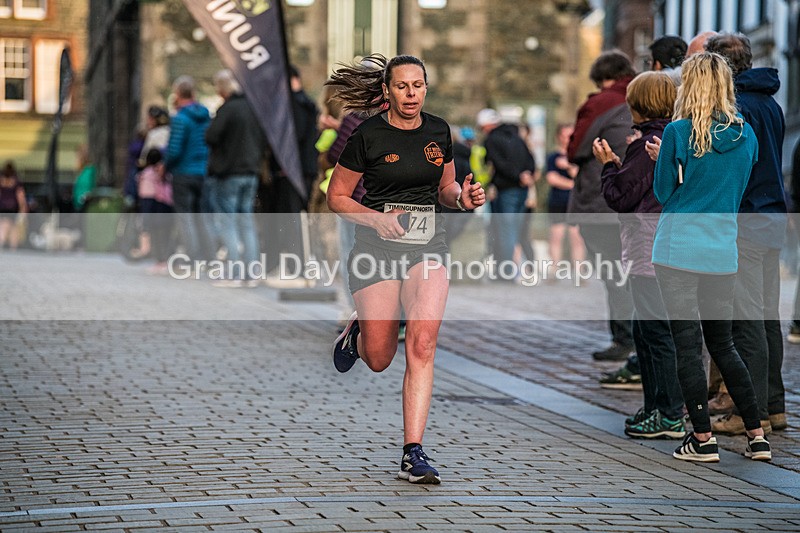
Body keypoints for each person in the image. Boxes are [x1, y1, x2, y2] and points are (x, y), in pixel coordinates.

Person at [325, 54, 486, 484]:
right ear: (388, 91)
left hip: (427, 248)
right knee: (379, 358)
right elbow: (336, 196)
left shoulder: (438, 131)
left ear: (425, 88)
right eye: (402, 86)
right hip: (375, 249)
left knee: (423, 342)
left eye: (418, 85)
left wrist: (462, 199)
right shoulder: (369, 134)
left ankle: (412, 451)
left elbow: (446, 188)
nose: (411, 94)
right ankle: (359, 331)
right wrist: (376, 218)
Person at [651, 52, 769, 462]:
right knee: (724, 344)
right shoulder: (747, 136)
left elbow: (665, 192)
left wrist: (661, 162)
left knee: (687, 346)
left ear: (691, 85)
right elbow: (737, 185)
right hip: (723, 249)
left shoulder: (678, 132)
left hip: (678, 248)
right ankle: (757, 435)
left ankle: (701, 439)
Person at [593, 71, 685, 438]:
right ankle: (657, 409)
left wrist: (608, 165)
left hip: (649, 249)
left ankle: (666, 413)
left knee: (653, 333)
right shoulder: (674, 137)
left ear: (640, 104)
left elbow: (621, 197)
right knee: (650, 329)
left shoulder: (647, 143)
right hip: (664, 246)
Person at [705, 33, 787, 436]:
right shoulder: (770, 102)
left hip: (745, 217)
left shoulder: (735, 107)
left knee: (746, 319)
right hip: (772, 216)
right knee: (767, 315)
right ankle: (774, 405)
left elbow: (732, 167)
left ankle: (747, 413)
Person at [567, 50, 636, 361]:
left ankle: (624, 339)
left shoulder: (601, 103)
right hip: (640, 199)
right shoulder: (647, 93)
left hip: (602, 199)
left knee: (613, 270)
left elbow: (575, 148)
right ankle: (637, 339)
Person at [205, 69, 265, 287]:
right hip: (251, 172)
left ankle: (234, 273)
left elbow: (210, 136)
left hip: (229, 173)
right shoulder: (253, 108)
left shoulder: (227, 109)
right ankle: (252, 273)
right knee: (247, 223)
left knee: (228, 223)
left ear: (222, 89)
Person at [478, 108, 536, 269]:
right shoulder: (517, 137)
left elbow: (498, 164)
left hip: (506, 190)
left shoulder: (492, 140)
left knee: (505, 231)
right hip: (521, 189)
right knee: (515, 230)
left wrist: (517, 176)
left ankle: (506, 271)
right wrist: (526, 175)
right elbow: (530, 159)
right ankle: (511, 268)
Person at [165, 75, 211, 264]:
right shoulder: (206, 116)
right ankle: (209, 257)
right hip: (203, 171)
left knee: (186, 217)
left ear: (177, 94)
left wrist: (166, 166)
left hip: (184, 172)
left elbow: (175, 149)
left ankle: (192, 258)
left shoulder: (180, 118)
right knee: (202, 216)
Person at [545, 124, 585, 278]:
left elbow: (579, 175)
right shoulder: (552, 157)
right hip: (558, 202)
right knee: (556, 237)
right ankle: (554, 271)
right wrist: (572, 184)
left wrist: (567, 166)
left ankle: (579, 272)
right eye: (565, 135)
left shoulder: (579, 156)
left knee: (577, 238)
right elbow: (552, 178)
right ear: (559, 137)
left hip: (575, 203)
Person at [136, 149, 174, 274]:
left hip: (152, 206)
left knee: (156, 234)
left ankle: (160, 260)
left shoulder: (145, 174)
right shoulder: (166, 173)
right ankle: (166, 260)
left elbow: (144, 194)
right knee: (166, 234)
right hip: (165, 206)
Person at [0, 161, 27, 250]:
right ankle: (13, 249)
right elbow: (20, 197)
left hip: (3, 208)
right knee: (14, 229)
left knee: (3, 226)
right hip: (12, 208)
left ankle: (2, 245)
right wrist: (23, 209)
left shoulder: (2, 181)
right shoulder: (16, 182)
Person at [72, 144, 96, 213]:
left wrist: (84, 197)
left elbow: (88, 187)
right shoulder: (81, 171)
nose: (76, 158)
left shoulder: (89, 170)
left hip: (84, 207)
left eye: (78, 156)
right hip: (77, 205)